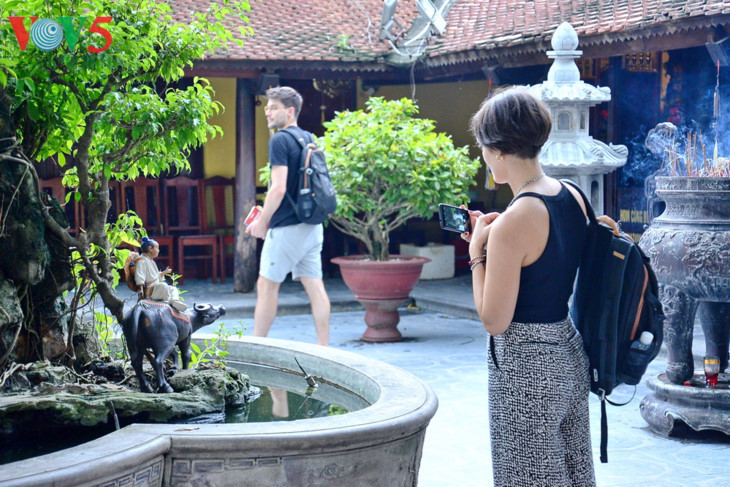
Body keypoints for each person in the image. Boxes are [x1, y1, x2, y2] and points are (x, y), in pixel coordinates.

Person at [465, 87, 595, 486]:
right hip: (568, 351)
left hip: (527, 367)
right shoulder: (572, 194)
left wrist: (476, 254)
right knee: (574, 472)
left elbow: (495, 320)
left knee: (527, 477)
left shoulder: (514, 220)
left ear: (498, 150)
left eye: (484, 148)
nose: (484, 156)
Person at [245, 86, 331, 347]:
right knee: (315, 285)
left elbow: (278, 188)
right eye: (267, 107)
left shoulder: (280, 140)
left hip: (287, 228)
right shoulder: (308, 138)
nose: (267, 112)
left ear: (290, 111)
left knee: (267, 285)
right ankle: (324, 347)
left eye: (274, 108)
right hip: (312, 224)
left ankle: (257, 346)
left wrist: (262, 222)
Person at [135, 236, 187, 312]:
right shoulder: (142, 261)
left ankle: (175, 302)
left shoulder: (151, 261)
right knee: (163, 285)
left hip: (155, 288)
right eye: (157, 248)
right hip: (150, 291)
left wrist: (163, 273)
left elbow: (154, 276)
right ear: (150, 248)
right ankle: (168, 302)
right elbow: (140, 276)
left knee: (173, 288)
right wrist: (140, 290)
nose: (158, 250)